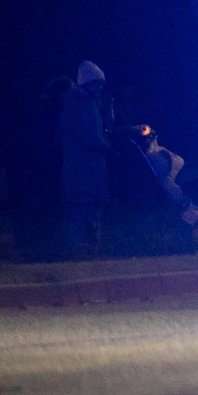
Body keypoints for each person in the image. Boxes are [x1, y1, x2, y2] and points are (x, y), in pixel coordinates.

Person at [56, 60, 113, 257]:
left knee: (74, 209)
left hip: (73, 167)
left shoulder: (70, 103)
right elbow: (94, 137)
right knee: (84, 209)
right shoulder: (85, 105)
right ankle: (80, 251)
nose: (100, 88)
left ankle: (73, 249)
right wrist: (110, 148)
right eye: (97, 83)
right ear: (87, 82)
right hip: (87, 169)